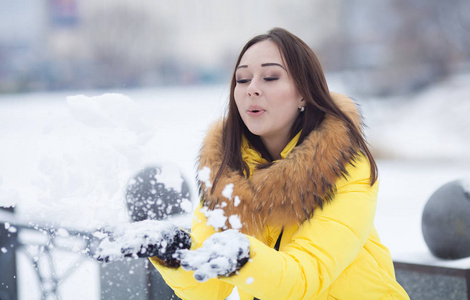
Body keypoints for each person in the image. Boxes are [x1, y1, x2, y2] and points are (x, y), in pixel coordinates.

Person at [147, 27, 410, 300]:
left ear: (304, 93)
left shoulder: (343, 167)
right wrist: (173, 252)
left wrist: (242, 255)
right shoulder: (225, 174)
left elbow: (302, 278)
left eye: (270, 77)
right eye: (242, 79)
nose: (252, 89)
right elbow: (209, 289)